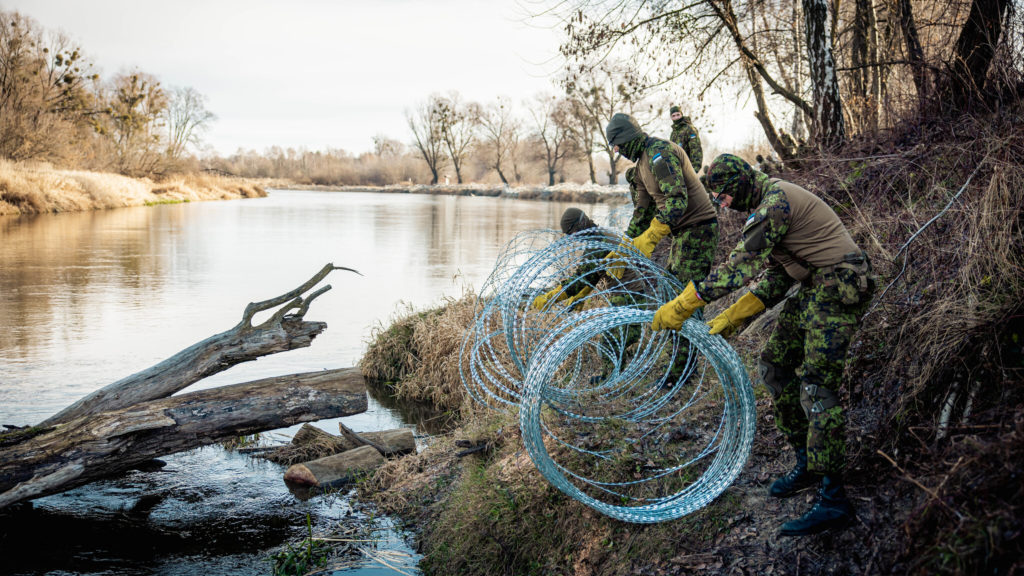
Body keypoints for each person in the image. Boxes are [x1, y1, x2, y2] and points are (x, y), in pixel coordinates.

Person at [650, 153, 876, 536]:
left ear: (739, 184)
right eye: (718, 199)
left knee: (817, 389)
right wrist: (733, 316)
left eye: (722, 196)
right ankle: (807, 462)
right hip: (816, 286)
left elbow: (739, 267)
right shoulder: (769, 204)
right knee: (774, 366)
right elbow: (777, 277)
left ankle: (834, 499)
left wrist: (685, 302)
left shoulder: (775, 204)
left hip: (839, 284)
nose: (723, 205)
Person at [606, 112, 719, 383]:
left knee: (683, 297)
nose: (617, 151)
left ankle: (682, 372)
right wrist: (625, 246)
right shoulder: (643, 163)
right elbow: (642, 213)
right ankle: (682, 366)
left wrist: (653, 236)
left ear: (625, 138)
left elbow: (677, 200)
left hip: (699, 229)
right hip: (684, 233)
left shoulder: (660, 153)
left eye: (617, 145)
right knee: (673, 292)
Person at [669, 105, 703, 172]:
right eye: (673, 116)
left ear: (681, 114)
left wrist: (695, 169)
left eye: (678, 115)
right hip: (677, 169)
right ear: (671, 118)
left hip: (688, 168)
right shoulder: (673, 133)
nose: (676, 117)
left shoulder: (689, 129)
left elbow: (695, 148)